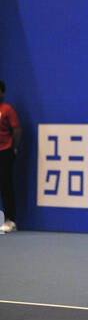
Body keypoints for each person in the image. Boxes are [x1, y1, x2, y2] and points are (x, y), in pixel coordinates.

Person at [0, 80, 21, 233]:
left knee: (6, 186)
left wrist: (13, 148)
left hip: (5, 151)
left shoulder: (8, 110)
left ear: (2, 93)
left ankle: (10, 220)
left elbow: (17, 129)